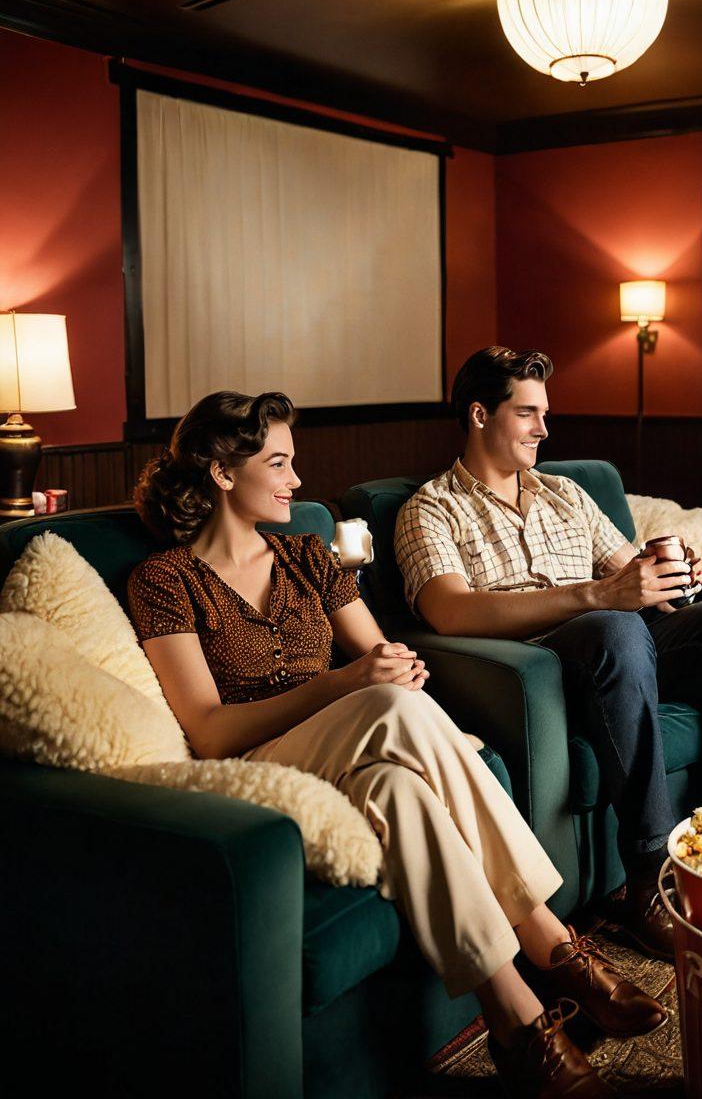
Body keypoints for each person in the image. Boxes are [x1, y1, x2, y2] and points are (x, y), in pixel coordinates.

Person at [127, 389, 667, 1099]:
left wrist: (391, 678)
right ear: (224, 473)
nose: (296, 481)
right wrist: (350, 684)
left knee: (400, 788)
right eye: (279, 463)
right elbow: (208, 728)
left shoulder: (308, 557)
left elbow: (389, 658)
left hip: (358, 753)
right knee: (385, 702)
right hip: (254, 765)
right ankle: (555, 943)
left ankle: (517, 1022)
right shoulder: (164, 580)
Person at [394, 348, 702, 958]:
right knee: (614, 629)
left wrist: (667, 573)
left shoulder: (564, 494)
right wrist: (598, 595)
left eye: (544, 413)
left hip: (620, 649)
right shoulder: (431, 509)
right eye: (527, 414)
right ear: (478, 415)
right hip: (538, 669)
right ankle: (649, 879)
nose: (544, 429)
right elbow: (450, 610)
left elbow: (628, 569)